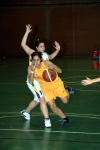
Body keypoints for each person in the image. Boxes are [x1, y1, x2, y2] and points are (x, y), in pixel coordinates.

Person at [21, 24, 73, 126]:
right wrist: (27, 32)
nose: (43, 48)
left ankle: (26, 112)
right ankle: (47, 119)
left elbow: (51, 57)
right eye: (41, 46)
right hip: (35, 79)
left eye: (44, 46)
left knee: (39, 99)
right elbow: (23, 45)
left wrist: (57, 50)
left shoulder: (44, 57)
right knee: (42, 99)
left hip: (46, 80)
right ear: (36, 48)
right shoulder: (33, 53)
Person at [28, 51, 69, 126]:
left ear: (40, 59)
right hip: (45, 88)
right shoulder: (30, 68)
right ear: (32, 60)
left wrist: (54, 67)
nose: (36, 62)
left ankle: (67, 90)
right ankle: (64, 118)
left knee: (65, 101)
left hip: (56, 84)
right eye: (34, 60)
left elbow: (60, 71)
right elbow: (30, 82)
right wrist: (32, 71)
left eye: (38, 60)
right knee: (52, 106)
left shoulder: (46, 62)